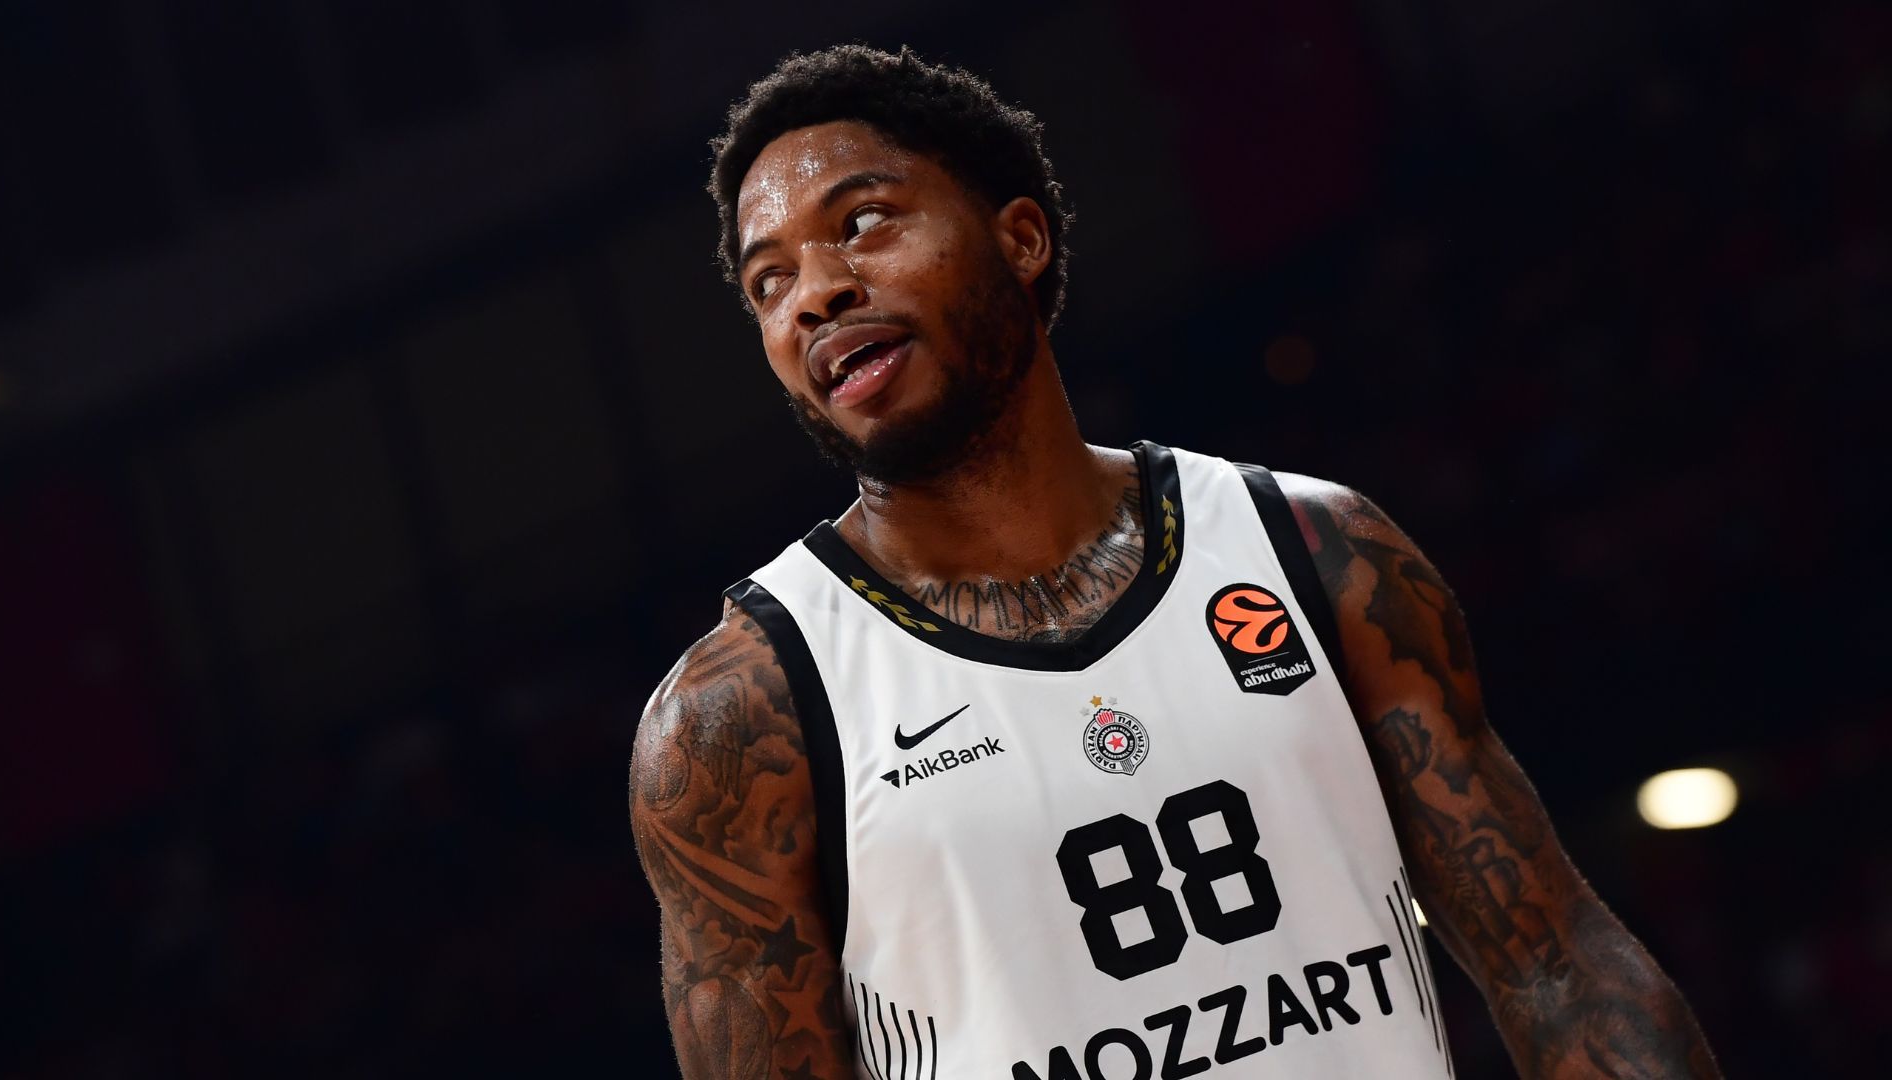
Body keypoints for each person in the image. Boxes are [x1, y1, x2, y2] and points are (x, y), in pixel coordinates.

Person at [629, 44, 1719, 1079]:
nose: (815, 293)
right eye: (769, 283)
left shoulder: (1315, 551)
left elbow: (1556, 967)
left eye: (862, 222)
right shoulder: (740, 720)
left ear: (1021, 238)